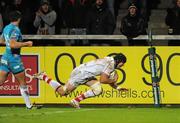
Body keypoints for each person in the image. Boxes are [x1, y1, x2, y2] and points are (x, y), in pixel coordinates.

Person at [33, 53, 128, 108]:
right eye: (122, 63)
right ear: (119, 61)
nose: (122, 65)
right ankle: (44, 77)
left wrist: (118, 87)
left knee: (98, 90)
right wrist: (112, 81)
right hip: (81, 74)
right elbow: (103, 80)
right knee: (63, 92)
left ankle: (75, 101)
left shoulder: (110, 61)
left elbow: (106, 79)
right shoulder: (110, 64)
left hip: (86, 74)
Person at [0, 11, 41, 109]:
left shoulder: (6, 27)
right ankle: (29, 105)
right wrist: (27, 43)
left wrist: (9, 44)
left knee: (0, 81)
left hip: (5, 57)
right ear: (19, 19)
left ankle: (29, 105)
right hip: (14, 59)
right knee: (23, 83)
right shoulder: (15, 29)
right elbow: (13, 44)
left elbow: (1, 41)